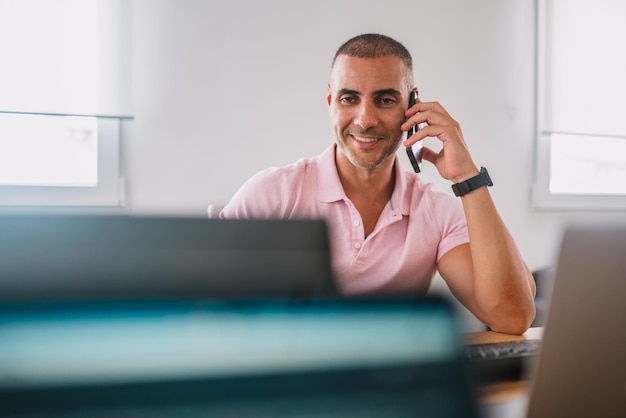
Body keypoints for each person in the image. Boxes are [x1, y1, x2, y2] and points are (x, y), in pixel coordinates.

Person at [220, 33, 536, 334]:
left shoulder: (436, 211)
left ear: (412, 105)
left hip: (389, 384)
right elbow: (207, 312)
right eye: (349, 99)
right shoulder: (272, 194)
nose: (365, 119)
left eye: (384, 100)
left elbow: (511, 316)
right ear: (330, 101)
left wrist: (468, 177)